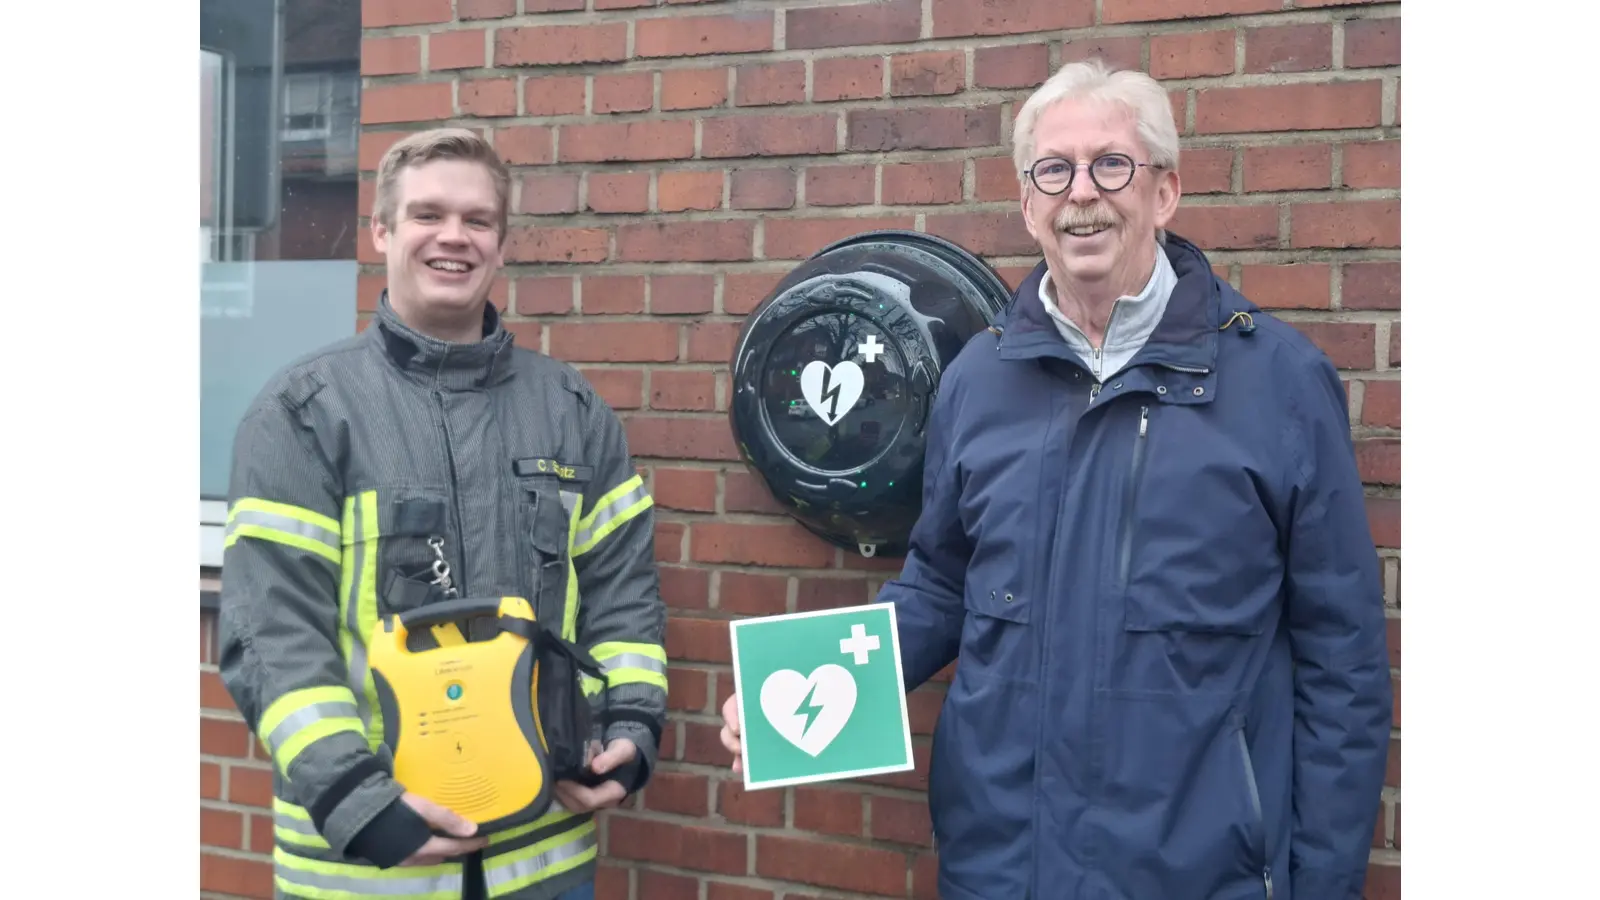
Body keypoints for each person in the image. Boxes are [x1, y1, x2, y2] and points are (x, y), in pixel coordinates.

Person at [720, 59, 1392, 900]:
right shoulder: (978, 379)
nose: (1083, 193)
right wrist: (805, 701)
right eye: (1055, 169)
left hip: (1199, 874)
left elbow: (1344, 663)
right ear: (1028, 202)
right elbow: (940, 583)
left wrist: (1323, 884)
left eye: (1112, 164)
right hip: (1005, 867)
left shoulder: (1279, 384)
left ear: (1164, 192)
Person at [218, 127, 668, 900]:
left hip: (544, 861)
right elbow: (269, 637)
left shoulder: (572, 412)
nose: (452, 237)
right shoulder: (303, 414)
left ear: (500, 243)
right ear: (383, 231)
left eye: (477, 219)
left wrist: (631, 728)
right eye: (427, 214)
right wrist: (362, 806)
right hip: (364, 868)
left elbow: (623, 599)